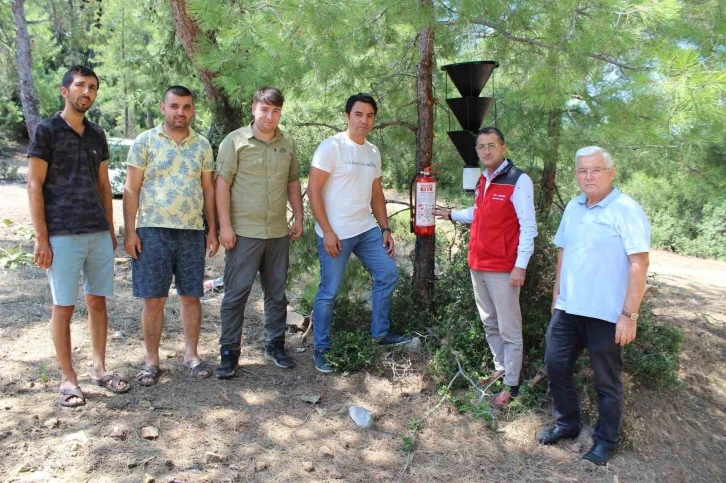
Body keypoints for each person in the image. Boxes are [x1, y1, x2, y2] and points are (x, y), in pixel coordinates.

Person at [536, 146, 650, 466]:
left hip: (607, 314)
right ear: (576, 175)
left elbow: (639, 263)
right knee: (556, 364)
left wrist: (629, 315)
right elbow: (563, 251)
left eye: (596, 170)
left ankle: (605, 441)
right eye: (582, 170)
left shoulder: (626, 209)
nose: (589, 176)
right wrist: (558, 293)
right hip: (569, 309)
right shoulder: (574, 206)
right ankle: (567, 424)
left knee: (606, 382)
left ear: (610, 173)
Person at [26, 65, 130, 407]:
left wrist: (111, 228)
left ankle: (99, 370)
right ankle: (68, 379)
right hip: (62, 233)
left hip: (97, 232)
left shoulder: (97, 134)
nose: (87, 92)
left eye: (93, 88)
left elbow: (104, 184)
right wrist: (42, 238)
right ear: (64, 91)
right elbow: (34, 184)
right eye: (81, 86)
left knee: (98, 302)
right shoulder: (47, 131)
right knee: (64, 307)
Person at [435, 127, 537, 407]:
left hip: (503, 267)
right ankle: (501, 368)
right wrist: (452, 214)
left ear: (503, 148)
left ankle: (512, 386)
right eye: (481, 147)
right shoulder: (484, 180)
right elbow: (480, 214)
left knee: (509, 327)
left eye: (492, 145)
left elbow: (528, 227)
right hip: (477, 264)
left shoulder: (518, 180)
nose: (486, 151)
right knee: (489, 321)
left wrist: (520, 266)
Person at [123, 85, 218, 385]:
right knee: (154, 299)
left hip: (192, 232)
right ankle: (152, 361)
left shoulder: (202, 144)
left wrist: (212, 229)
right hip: (152, 231)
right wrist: (130, 232)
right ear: (163, 107)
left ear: (192, 110)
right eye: (174, 106)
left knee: (191, 296)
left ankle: (192, 356)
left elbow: (208, 189)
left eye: (187, 107)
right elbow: (131, 189)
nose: (181, 112)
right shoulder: (145, 141)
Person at [307, 93, 409, 374]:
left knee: (388, 274)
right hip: (336, 232)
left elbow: (376, 193)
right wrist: (327, 231)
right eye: (359, 114)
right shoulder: (332, 147)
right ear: (347, 116)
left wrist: (385, 228)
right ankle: (322, 348)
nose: (364, 121)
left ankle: (380, 334)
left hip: (366, 229)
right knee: (329, 291)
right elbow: (312, 191)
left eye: (370, 116)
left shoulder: (373, 152)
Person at [214, 86, 304, 379]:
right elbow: (222, 185)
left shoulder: (287, 142)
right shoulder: (235, 141)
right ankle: (229, 352)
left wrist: (299, 217)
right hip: (244, 233)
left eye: (276, 110)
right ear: (254, 108)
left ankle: (275, 345)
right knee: (236, 294)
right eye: (264, 109)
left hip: (277, 232)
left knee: (277, 294)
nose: (270, 116)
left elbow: (292, 183)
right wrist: (224, 227)